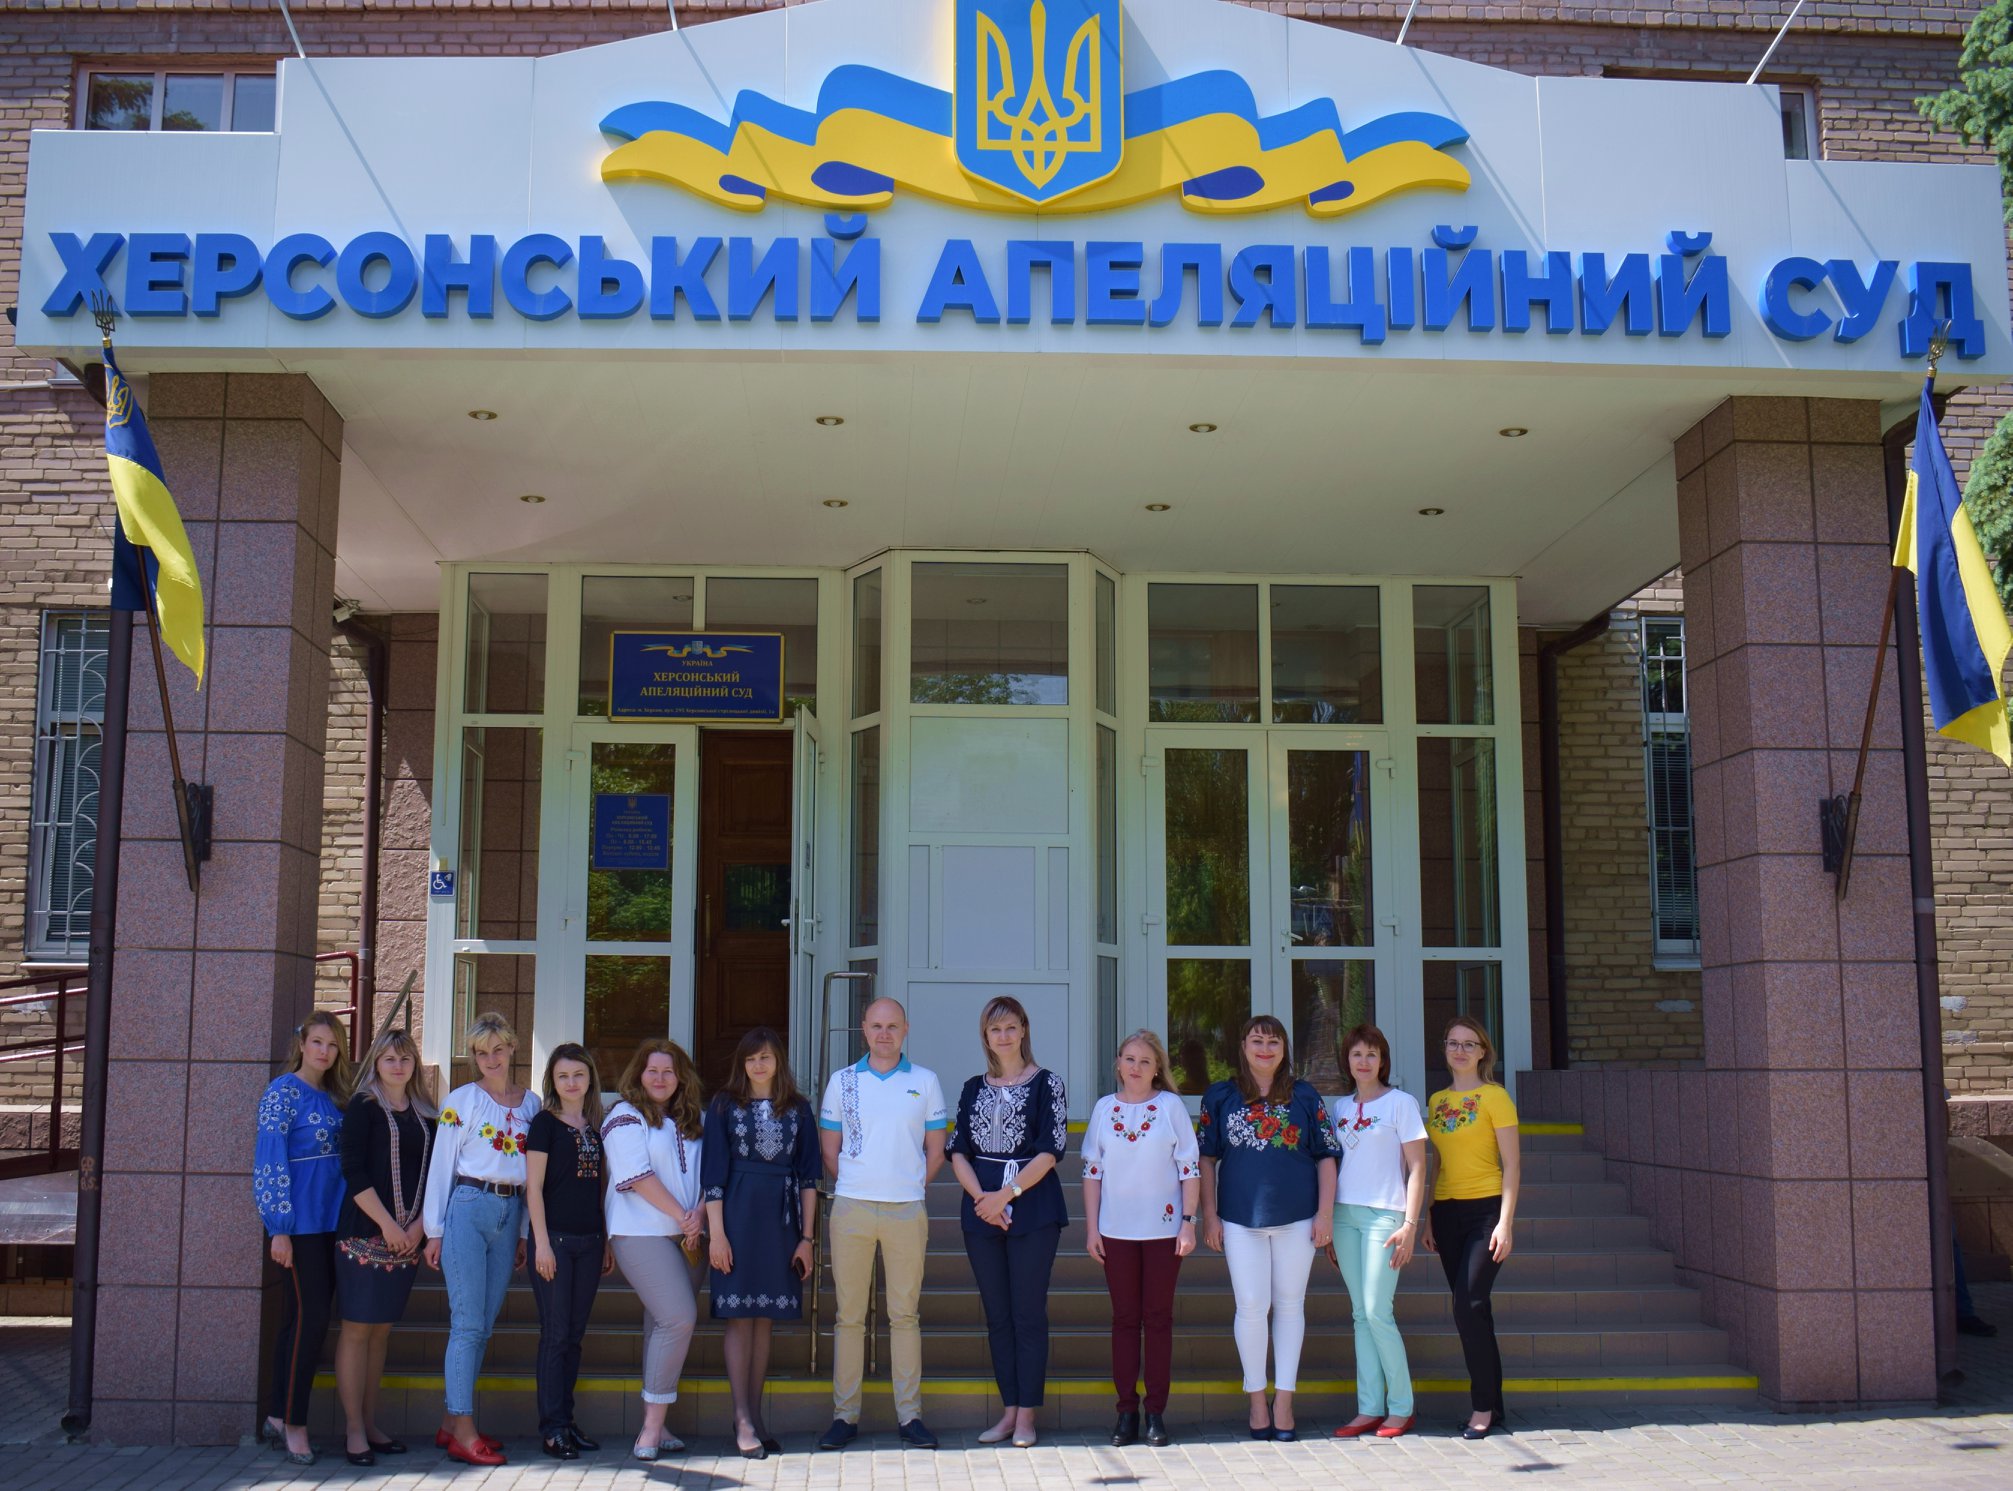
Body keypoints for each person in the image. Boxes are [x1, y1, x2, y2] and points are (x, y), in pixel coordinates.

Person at [816, 996, 948, 1453]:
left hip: (906, 1209)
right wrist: (860, 1182)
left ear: (905, 1029)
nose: (884, 1034)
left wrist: (906, 1185)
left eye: (893, 1026)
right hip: (852, 1208)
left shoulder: (925, 1081)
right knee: (849, 1316)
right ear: (864, 1029)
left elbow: (936, 1151)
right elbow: (829, 1150)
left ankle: (910, 1416)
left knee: (904, 1315)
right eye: (876, 1025)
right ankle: (844, 1416)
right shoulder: (842, 1081)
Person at [1197, 1014, 1339, 1442]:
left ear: (1284, 1049)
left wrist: (1325, 1214)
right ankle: (1257, 1400)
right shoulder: (1220, 1096)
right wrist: (1209, 1215)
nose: (1265, 1049)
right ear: (1242, 1046)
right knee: (1251, 1307)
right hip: (1240, 1218)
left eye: (1273, 1042)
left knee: (1291, 1306)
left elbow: (1326, 1156)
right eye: (1257, 1040)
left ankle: (1284, 1402)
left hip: (1299, 1217)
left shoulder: (1305, 1095)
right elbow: (1206, 1158)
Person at [949, 996, 1069, 1449]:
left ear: (1024, 1030)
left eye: (1011, 1027)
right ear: (985, 1035)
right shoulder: (971, 1087)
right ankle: (1008, 1411)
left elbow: (1051, 1150)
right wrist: (983, 1199)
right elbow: (958, 1150)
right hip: (981, 1210)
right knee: (998, 1316)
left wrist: (1007, 1194)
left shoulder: (1047, 1083)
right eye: (995, 1029)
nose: (1003, 1036)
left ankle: (1027, 1416)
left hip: (1032, 1207)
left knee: (1027, 1313)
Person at [421, 1012, 540, 1466]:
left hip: (510, 1213)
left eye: (498, 1049)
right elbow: (441, 1166)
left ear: (512, 1049)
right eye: (481, 1052)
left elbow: (532, 1175)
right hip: (469, 1207)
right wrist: (434, 1231)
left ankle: (450, 1422)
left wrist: (524, 1232)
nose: (491, 1059)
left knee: (483, 1324)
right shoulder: (461, 1100)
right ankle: (464, 1431)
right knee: (467, 1324)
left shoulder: (531, 1105)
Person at [702, 1027, 821, 1460]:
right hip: (735, 1219)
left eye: (766, 1057)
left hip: (781, 1223)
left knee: (765, 1318)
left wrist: (806, 1239)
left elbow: (809, 1177)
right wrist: (717, 1234)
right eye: (751, 1058)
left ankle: (755, 1415)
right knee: (739, 1318)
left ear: (778, 1062)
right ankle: (742, 1418)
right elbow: (712, 1174)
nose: (758, 1065)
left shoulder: (799, 1109)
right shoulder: (723, 1105)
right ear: (742, 1063)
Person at [1081, 1029, 1199, 1449]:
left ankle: (1156, 1413)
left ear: (1157, 1069)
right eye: (1129, 1059)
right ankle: (1126, 1411)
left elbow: (1189, 1167)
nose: (1136, 1067)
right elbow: (1092, 1171)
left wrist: (1189, 1222)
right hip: (1115, 1231)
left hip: (1164, 1231)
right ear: (1118, 1063)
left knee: (1158, 1319)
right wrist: (1092, 1228)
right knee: (1125, 1320)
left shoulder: (1170, 1107)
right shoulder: (1103, 1108)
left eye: (1145, 1061)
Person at [333, 1027, 436, 1467]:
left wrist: (419, 1227)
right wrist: (388, 1225)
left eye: (405, 1058)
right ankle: (353, 1429)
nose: (398, 1066)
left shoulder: (426, 1113)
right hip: (364, 1232)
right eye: (390, 1058)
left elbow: (436, 1174)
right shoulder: (363, 1106)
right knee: (357, 1329)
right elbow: (352, 1170)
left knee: (381, 1333)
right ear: (376, 1061)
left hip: (409, 1239)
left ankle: (372, 1423)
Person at [255, 1011, 355, 1466]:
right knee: (311, 1320)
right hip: (300, 1228)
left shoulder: (335, 1096)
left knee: (301, 1322)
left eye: (333, 1045)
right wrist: (279, 1228)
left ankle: (279, 1413)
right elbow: (269, 1161)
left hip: (333, 1223)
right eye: (317, 1042)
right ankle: (295, 1424)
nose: (324, 1052)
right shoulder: (282, 1093)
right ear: (301, 1044)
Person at [604, 1038, 706, 1462]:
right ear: (639, 1075)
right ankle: (650, 1427)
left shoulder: (696, 1120)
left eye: (669, 1071)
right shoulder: (625, 1116)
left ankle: (659, 1424)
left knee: (661, 1325)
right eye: (652, 1071)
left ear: (681, 1077)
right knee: (679, 1317)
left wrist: (699, 1214)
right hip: (640, 1232)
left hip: (689, 1236)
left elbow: (713, 1174)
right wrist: (684, 1215)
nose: (661, 1078)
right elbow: (636, 1176)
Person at [1324, 1024, 1427, 1441]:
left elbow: (1418, 1168)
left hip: (1386, 1215)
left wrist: (1410, 1225)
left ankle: (1401, 1407)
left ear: (1383, 1060)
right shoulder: (1338, 1108)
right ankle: (1369, 1408)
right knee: (1359, 1314)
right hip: (1344, 1216)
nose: (1364, 1061)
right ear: (1347, 1061)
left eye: (1372, 1054)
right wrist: (1327, 1221)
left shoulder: (1401, 1103)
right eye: (1356, 1054)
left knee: (1377, 1310)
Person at [1422, 1015, 1521, 1441]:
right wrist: (1429, 1213)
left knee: (1467, 1304)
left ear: (1483, 1052)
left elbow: (1512, 1164)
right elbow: (1438, 1162)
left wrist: (1505, 1222)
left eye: (1469, 1044)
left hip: (1486, 1213)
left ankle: (1481, 1408)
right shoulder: (1436, 1101)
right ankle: (1493, 1403)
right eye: (1452, 1043)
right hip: (1447, 1214)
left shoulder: (1495, 1097)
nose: (1459, 1051)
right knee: (1476, 1311)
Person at [525, 1043, 611, 1461]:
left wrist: (606, 1240)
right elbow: (533, 1188)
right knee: (556, 1335)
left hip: (590, 1243)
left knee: (574, 1337)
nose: (571, 1083)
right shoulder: (544, 1124)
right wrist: (541, 1243)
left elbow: (601, 1189)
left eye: (578, 1075)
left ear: (590, 1078)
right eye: (563, 1076)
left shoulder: (596, 1126)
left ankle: (567, 1420)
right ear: (552, 1082)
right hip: (554, 1242)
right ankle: (552, 1428)